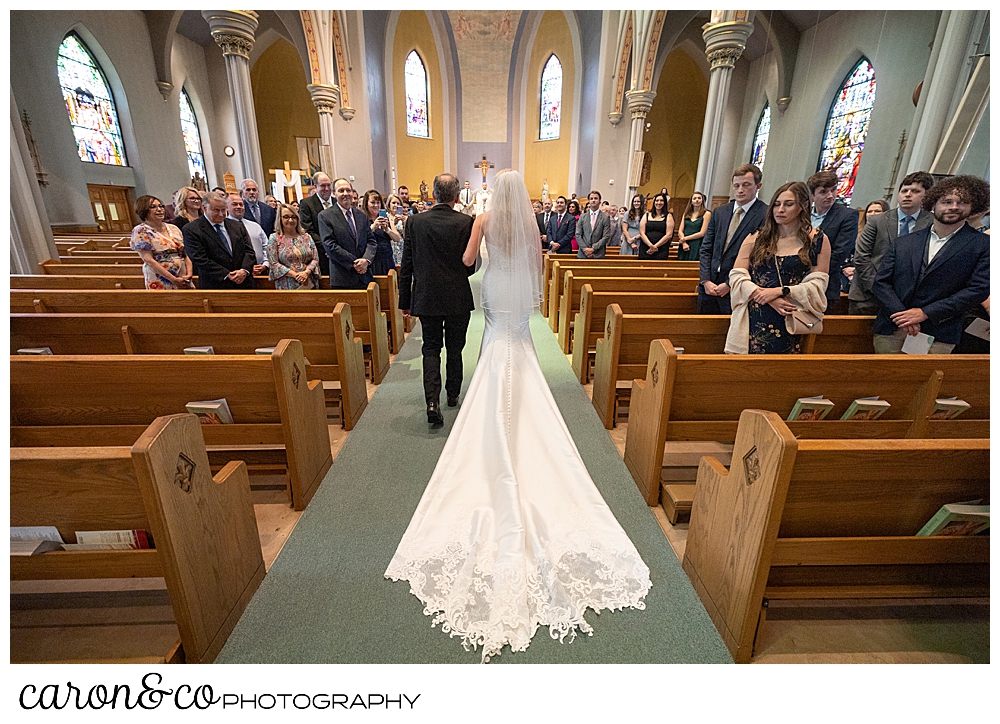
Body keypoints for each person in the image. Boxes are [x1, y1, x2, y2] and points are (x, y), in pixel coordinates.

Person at [385, 169, 651, 663]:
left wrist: (471, 259)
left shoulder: (483, 219)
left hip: (494, 289)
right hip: (516, 298)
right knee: (518, 347)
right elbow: (539, 258)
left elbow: (468, 262)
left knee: (493, 349)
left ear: (493, 193)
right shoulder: (529, 223)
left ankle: (471, 406)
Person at [872, 175, 990, 354]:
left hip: (939, 331)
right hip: (893, 326)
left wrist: (925, 313)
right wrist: (903, 316)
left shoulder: (983, 244)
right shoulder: (904, 242)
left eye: (962, 202)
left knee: (924, 380)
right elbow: (881, 282)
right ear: (933, 204)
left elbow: (978, 289)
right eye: (947, 201)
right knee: (883, 379)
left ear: (972, 206)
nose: (954, 207)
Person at [398, 173, 476, 426]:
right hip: (457, 296)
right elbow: (470, 265)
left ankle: (431, 401)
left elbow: (406, 263)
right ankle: (452, 394)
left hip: (427, 296)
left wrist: (404, 301)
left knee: (430, 348)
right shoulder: (466, 222)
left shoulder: (415, 222)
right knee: (455, 348)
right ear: (456, 196)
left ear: (432, 195)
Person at [726, 181, 831, 354]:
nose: (780, 209)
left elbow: (818, 284)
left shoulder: (817, 239)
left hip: (793, 318)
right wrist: (767, 297)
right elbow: (737, 276)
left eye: (788, 204)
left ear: (802, 206)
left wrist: (781, 291)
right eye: (776, 204)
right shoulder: (756, 238)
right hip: (755, 315)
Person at [849, 172, 934, 315]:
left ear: (926, 196)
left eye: (915, 191)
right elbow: (861, 257)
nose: (908, 195)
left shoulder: (931, 223)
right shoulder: (878, 221)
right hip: (868, 295)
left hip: (909, 299)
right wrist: (880, 289)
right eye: (904, 191)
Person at [698, 164, 768, 314]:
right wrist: (705, 280)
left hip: (738, 288)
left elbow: (759, 256)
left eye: (746, 185)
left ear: (758, 186)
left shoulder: (765, 214)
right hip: (709, 286)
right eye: (736, 185)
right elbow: (706, 249)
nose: (740, 189)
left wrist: (730, 284)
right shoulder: (720, 212)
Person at [182, 190, 256, 289]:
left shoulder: (237, 226)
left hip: (244, 282)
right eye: (216, 210)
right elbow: (199, 259)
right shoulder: (192, 229)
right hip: (215, 284)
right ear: (204, 208)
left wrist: (244, 270)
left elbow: (249, 251)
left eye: (223, 210)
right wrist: (226, 274)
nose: (221, 214)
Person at [807, 170, 858, 312]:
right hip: (795, 283)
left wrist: (807, 270)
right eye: (823, 192)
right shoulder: (803, 214)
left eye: (833, 190)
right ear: (812, 195)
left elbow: (840, 252)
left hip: (825, 284)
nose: (830, 196)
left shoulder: (847, 215)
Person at [318, 177, 378, 289]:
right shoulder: (325, 216)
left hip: (364, 276)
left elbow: (371, 241)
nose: (346, 193)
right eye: (341, 191)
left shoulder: (361, 215)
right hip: (342, 277)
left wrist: (366, 260)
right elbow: (330, 245)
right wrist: (355, 263)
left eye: (348, 190)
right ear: (334, 194)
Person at [130, 195, 194, 289]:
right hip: (159, 277)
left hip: (182, 274)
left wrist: (189, 273)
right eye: (153, 207)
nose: (159, 209)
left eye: (161, 206)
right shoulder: (141, 231)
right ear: (143, 210)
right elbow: (148, 260)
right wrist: (173, 279)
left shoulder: (173, 228)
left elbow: (185, 253)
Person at [267, 203, 320, 290]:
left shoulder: (306, 237)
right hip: (286, 284)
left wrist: (306, 272)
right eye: (286, 217)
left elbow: (315, 259)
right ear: (280, 219)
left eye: (293, 217)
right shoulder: (274, 238)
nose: (290, 220)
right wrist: (294, 274)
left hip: (308, 282)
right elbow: (273, 263)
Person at [841, 199, 888, 294]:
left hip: (874, 278)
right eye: (869, 211)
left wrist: (855, 270)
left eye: (877, 211)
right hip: (851, 280)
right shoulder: (857, 233)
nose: (872, 214)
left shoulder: (888, 235)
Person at [298, 172, 334, 278]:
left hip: (339, 254)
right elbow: (308, 230)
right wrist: (329, 248)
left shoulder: (337, 202)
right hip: (320, 254)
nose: (326, 188)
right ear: (316, 186)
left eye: (328, 185)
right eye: (323, 185)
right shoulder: (306, 204)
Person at [226, 193, 268, 277]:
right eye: (234, 204)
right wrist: (246, 268)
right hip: (238, 274)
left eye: (241, 204)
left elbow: (266, 246)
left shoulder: (255, 226)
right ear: (226, 207)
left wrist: (265, 264)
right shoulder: (224, 227)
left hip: (261, 271)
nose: (239, 207)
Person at [361, 189, 398, 276]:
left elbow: (397, 238)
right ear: (366, 204)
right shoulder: (362, 219)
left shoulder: (386, 218)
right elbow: (360, 238)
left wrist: (387, 230)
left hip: (387, 260)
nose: (376, 205)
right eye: (373, 202)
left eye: (378, 203)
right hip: (372, 261)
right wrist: (373, 227)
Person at [638, 193, 673, 260]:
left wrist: (655, 246)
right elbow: (642, 233)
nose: (659, 203)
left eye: (661, 200)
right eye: (657, 200)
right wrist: (650, 246)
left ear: (665, 202)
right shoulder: (647, 215)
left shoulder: (669, 216)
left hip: (661, 248)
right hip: (646, 247)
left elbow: (669, 235)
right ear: (654, 202)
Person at [577, 190, 612, 258]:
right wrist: (585, 249)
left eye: (596, 198)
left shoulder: (605, 217)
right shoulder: (583, 216)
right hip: (583, 253)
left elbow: (606, 236)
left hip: (598, 254)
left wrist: (593, 249)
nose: (593, 200)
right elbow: (578, 234)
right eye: (591, 198)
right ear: (589, 201)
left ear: (599, 201)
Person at [676, 191, 710, 260]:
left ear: (702, 200)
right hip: (684, 244)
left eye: (699, 198)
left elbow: (702, 233)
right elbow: (680, 231)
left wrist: (684, 239)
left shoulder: (706, 214)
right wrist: (684, 243)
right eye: (694, 198)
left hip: (697, 243)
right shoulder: (686, 213)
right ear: (691, 201)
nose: (697, 200)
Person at [385, 193, 407, 266]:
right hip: (391, 246)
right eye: (393, 203)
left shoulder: (403, 217)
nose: (396, 205)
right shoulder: (386, 217)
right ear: (389, 204)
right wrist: (393, 224)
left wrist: (404, 224)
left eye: (398, 203)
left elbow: (406, 236)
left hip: (401, 246)